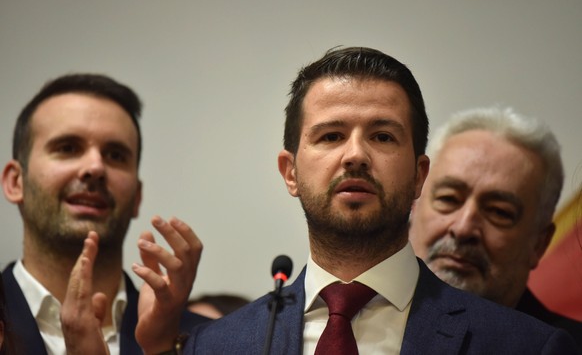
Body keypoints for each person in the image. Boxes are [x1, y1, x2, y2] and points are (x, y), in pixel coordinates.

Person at [60, 48, 581, 354]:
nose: (355, 155)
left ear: (420, 174)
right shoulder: (218, 347)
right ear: (290, 172)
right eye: (331, 136)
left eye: (382, 136)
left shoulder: (528, 347)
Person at [0, 74, 208, 355]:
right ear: (15, 182)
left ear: (137, 196)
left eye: (115, 155)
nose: (95, 167)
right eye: (68, 148)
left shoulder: (205, 341)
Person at [409, 106, 582, 347]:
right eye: (448, 199)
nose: (463, 228)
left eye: (499, 212)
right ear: (413, 206)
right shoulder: (354, 314)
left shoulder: (563, 347)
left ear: (539, 243)